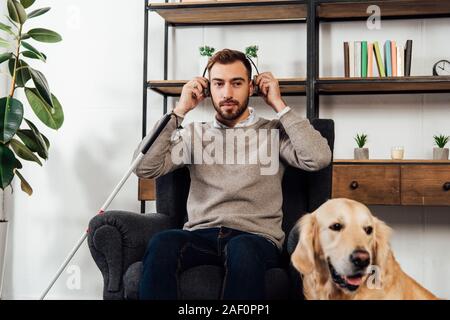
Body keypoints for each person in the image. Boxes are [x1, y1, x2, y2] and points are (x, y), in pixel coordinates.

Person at [134, 48, 331, 300]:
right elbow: (144, 167)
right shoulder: (194, 134)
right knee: (163, 242)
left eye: (236, 83)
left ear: (251, 87)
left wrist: (279, 105)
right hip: (200, 235)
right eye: (218, 84)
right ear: (207, 90)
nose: (227, 93)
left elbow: (319, 157)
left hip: (256, 238)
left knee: (242, 247)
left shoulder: (274, 132)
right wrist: (179, 111)